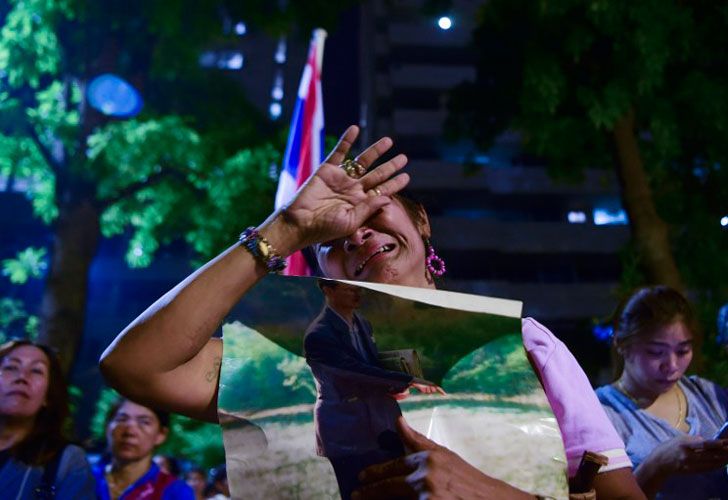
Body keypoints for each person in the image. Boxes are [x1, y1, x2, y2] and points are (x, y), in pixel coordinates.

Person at [100, 125, 645, 498]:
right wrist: (285, 229)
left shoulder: (524, 345)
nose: (356, 233)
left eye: (374, 211)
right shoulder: (287, 363)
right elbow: (135, 366)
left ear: (421, 223)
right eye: (332, 234)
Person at [305, 280, 443, 498]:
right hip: (346, 428)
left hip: (381, 422)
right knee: (361, 491)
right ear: (327, 290)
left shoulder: (362, 323)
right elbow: (354, 370)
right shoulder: (318, 335)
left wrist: (394, 383)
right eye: (349, 289)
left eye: (358, 289)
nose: (357, 293)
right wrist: (407, 379)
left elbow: (371, 366)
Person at [596, 286, 728, 499]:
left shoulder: (708, 395)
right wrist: (658, 464)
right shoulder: (600, 413)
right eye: (656, 352)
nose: (672, 365)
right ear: (621, 343)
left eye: (683, 351)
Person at [0, 339, 95, 498]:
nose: (22, 377)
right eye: (11, 367)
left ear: (48, 396)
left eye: (36, 371)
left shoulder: (67, 462)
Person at [93, 398, 194, 499]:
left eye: (144, 422)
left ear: (161, 434)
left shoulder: (175, 491)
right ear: (107, 427)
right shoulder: (85, 479)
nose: (130, 432)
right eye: (122, 419)